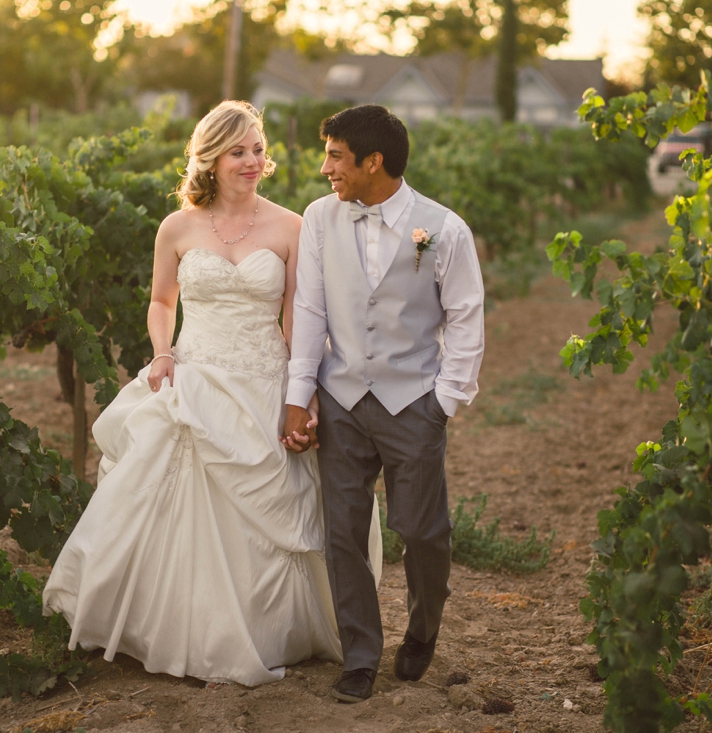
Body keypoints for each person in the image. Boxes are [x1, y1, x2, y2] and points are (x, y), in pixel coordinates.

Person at [42, 100, 373, 686]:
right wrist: (163, 353)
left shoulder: (292, 227)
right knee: (170, 492)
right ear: (211, 160)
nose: (252, 161)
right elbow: (161, 300)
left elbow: (297, 318)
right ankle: (170, 627)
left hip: (263, 380)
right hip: (194, 373)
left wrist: (307, 389)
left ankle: (270, 630)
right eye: (238, 152)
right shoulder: (178, 226)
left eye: (258, 150)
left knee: (270, 505)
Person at [282, 105, 485, 703]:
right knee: (342, 533)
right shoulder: (320, 220)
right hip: (341, 397)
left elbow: (466, 318)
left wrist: (443, 402)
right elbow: (311, 309)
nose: (326, 170)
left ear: (374, 162)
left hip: (413, 401)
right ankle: (360, 655)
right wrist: (302, 395)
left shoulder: (444, 229)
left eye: (336, 156)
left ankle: (421, 632)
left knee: (422, 532)